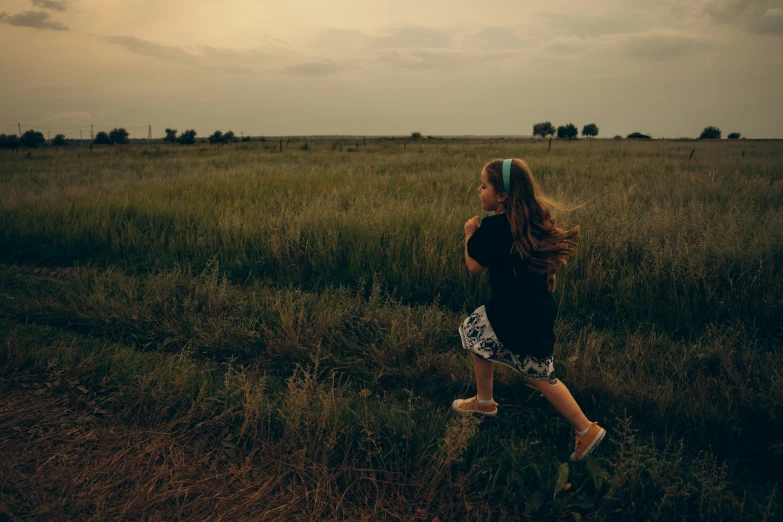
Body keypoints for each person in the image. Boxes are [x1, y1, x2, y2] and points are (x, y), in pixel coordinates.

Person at [452, 158, 605, 462]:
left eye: (484, 185)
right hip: (528, 308)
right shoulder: (532, 221)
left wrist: (469, 233)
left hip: (516, 313)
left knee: (540, 375)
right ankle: (484, 401)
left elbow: (473, 267)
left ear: (502, 196)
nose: (478, 190)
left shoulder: (493, 227)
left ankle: (585, 429)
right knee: (475, 333)